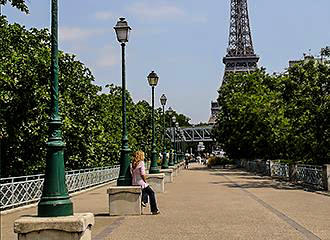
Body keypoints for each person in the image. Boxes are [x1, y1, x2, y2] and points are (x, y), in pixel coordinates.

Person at [131, 150, 160, 215]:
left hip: (134, 182)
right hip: (140, 182)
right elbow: (143, 174)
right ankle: (154, 210)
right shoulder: (141, 163)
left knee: (145, 189)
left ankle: (144, 200)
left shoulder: (133, 163)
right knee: (151, 192)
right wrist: (145, 180)